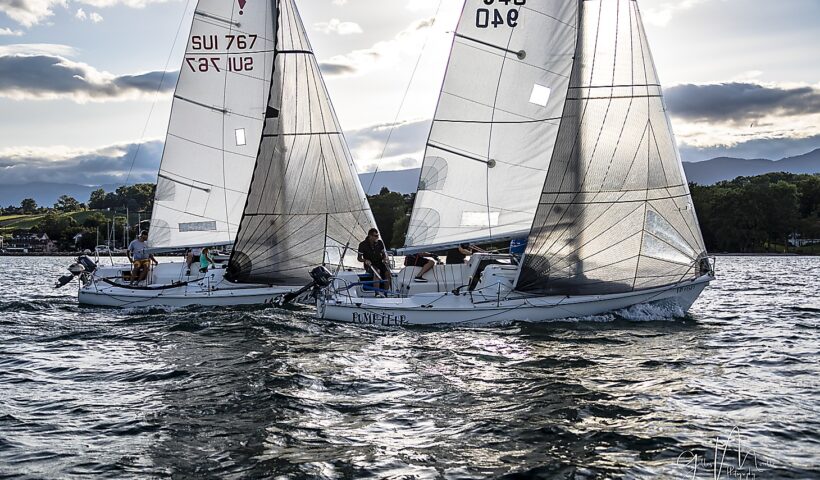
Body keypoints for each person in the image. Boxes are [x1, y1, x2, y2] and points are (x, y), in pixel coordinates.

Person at [358, 228, 391, 295]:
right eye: (375, 236)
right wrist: (365, 260)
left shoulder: (380, 243)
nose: (377, 237)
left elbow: (384, 254)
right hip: (369, 264)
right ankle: (377, 293)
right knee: (377, 272)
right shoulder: (362, 245)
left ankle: (386, 293)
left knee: (387, 272)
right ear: (370, 236)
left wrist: (384, 259)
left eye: (377, 236)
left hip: (379, 262)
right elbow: (359, 258)